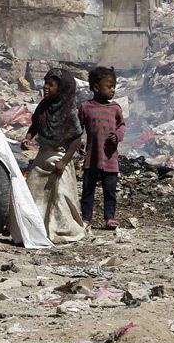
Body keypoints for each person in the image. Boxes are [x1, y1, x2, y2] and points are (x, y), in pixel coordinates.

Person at [22, 68, 86, 243]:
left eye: (51, 85)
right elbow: (35, 124)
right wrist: (28, 138)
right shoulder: (43, 106)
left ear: (62, 88)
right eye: (46, 83)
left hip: (59, 157)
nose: (46, 87)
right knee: (33, 192)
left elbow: (76, 138)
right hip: (43, 156)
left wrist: (64, 162)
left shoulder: (68, 110)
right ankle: (34, 228)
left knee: (61, 197)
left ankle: (63, 231)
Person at [78, 66, 126, 231]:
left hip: (110, 158)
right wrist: (78, 143)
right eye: (109, 86)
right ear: (96, 88)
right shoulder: (85, 108)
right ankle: (86, 218)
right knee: (88, 190)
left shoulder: (115, 108)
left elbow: (122, 126)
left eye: (114, 86)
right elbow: (78, 128)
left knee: (110, 191)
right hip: (92, 157)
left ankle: (109, 217)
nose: (113, 90)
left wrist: (117, 136)